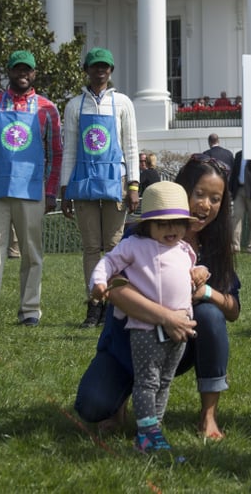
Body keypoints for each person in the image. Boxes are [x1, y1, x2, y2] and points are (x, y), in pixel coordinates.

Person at [75, 154, 240, 441]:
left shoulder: (212, 247)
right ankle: (120, 402)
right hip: (131, 341)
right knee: (93, 407)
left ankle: (208, 415)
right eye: (199, 194)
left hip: (179, 345)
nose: (206, 205)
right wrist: (166, 317)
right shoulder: (137, 239)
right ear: (181, 191)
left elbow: (233, 309)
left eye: (216, 199)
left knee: (210, 315)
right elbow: (117, 288)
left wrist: (206, 293)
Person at [88, 181, 210, 453]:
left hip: (180, 329)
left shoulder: (184, 250)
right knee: (147, 380)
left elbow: (190, 271)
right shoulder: (134, 245)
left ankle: (154, 427)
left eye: (178, 223)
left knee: (164, 381)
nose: (172, 229)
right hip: (145, 328)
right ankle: (146, 432)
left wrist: (202, 271)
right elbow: (108, 263)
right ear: (148, 225)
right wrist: (97, 282)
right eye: (163, 224)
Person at [0, 50, 62, 330]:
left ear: (34, 74)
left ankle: (30, 309)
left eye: (28, 70)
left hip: (32, 191)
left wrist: (51, 191)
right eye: (18, 69)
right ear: (9, 71)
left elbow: (56, 153)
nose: (23, 73)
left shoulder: (48, 109)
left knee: (32, 253)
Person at [60, 48, 141, 329]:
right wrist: (64, 188)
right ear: (87, 70)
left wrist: (133, 185)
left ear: (111, 70)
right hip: (83, 182)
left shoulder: (122, 103)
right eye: (95, 66)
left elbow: (131, 146)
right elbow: (69, 149)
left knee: (115, 246)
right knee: (92, 247)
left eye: (105, 66)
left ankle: (116, 305)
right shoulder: (74, 105)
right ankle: (94, 303)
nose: (100, 71)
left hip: (114, 181)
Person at [230, 150, 251, 254]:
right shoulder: (238, 155)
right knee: (236, 216)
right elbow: (234, 173)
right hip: (239, 190)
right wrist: (231, 189)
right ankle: (234, 246)